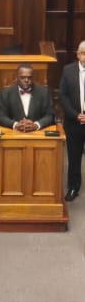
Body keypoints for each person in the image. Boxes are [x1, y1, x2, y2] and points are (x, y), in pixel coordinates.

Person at [0, 64, 56, 132]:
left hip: (37, 135)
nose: (26, 80)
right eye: (23, 77)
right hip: (12, 135)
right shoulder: (5, 93)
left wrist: (36, 125)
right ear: (16, 77)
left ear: (33, 78)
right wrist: (15, 124)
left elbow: (50, 115)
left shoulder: (44, 92)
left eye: (29, 77)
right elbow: (0, 116)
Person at [59, 41, 85, 201]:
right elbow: (63, 96)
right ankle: (73, 188)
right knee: (74, 157)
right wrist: (75, 115)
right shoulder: (68, 71)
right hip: (74, 121)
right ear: (78, 54)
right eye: (84, 53)